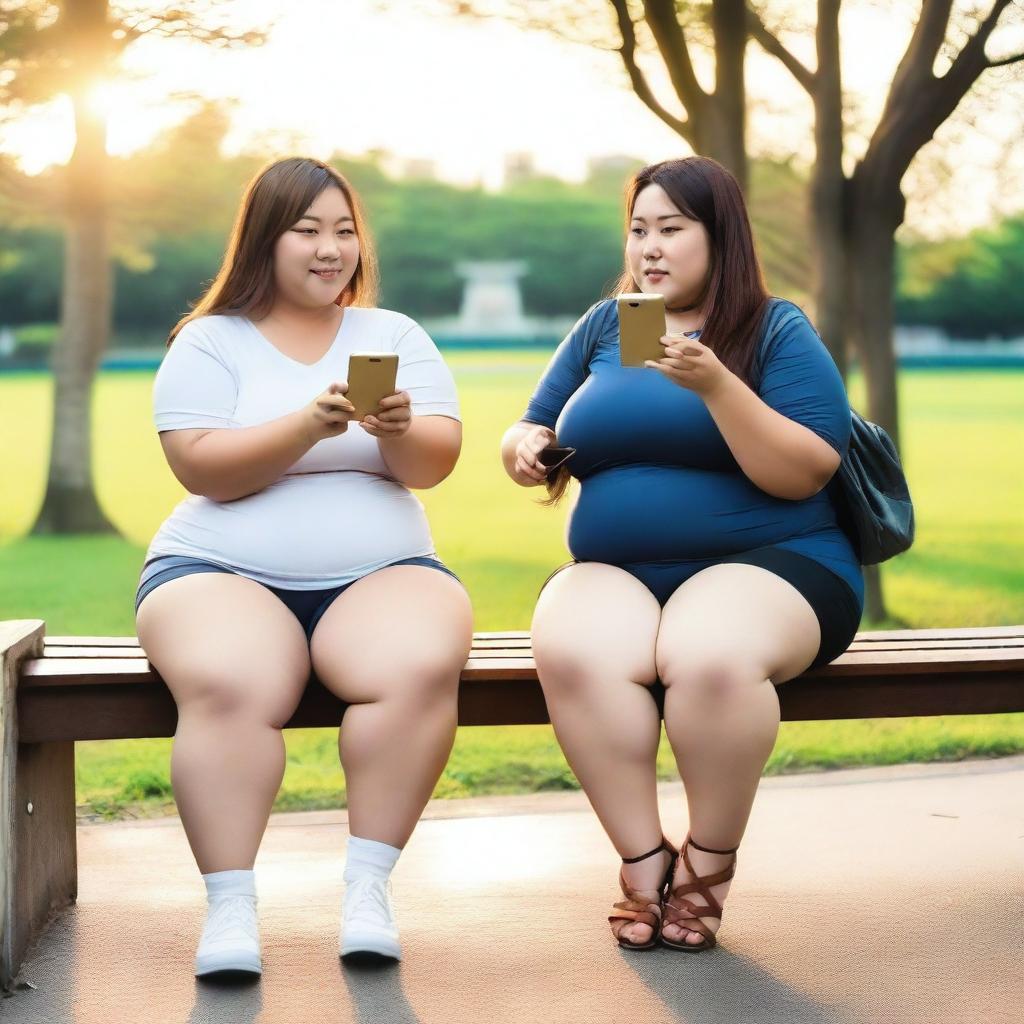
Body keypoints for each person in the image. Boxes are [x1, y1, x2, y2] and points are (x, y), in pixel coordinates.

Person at [500, 156, 862, 952]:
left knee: (708, 658)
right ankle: (641, 859)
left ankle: (706, 863)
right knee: (572, 650)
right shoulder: (616, 324)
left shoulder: (772, 328)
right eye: (638, 231)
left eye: (671, 229)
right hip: (618, 573)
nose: (649, 249)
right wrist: (524, 445)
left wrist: (718, 385)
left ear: (719, 236)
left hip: (774, 562)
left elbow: (805, 468)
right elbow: (533, 420)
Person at [135, 156, 472, 976]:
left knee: (420, 662)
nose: (331, 249)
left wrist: (393, 428)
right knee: (230, 682)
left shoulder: (391, 334)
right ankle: (230, 908)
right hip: (217, 571)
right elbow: (203, 467)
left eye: (345, 231)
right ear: (264, 240)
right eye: (308, 230)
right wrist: (306, 426)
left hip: (384, 570)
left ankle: (367, 890)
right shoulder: (209, 341)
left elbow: (433, 462)